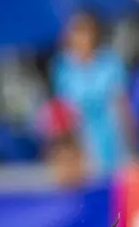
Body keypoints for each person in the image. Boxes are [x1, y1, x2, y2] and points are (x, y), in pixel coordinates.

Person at [51, 12, 131, 176]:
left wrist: (131, 149)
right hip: (80, 146)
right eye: (76, 32)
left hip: (111, 142)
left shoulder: (110, 64)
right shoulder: (63, 68)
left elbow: (122, 108)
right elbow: (62, 113)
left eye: (86, 32)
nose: (81, 38)